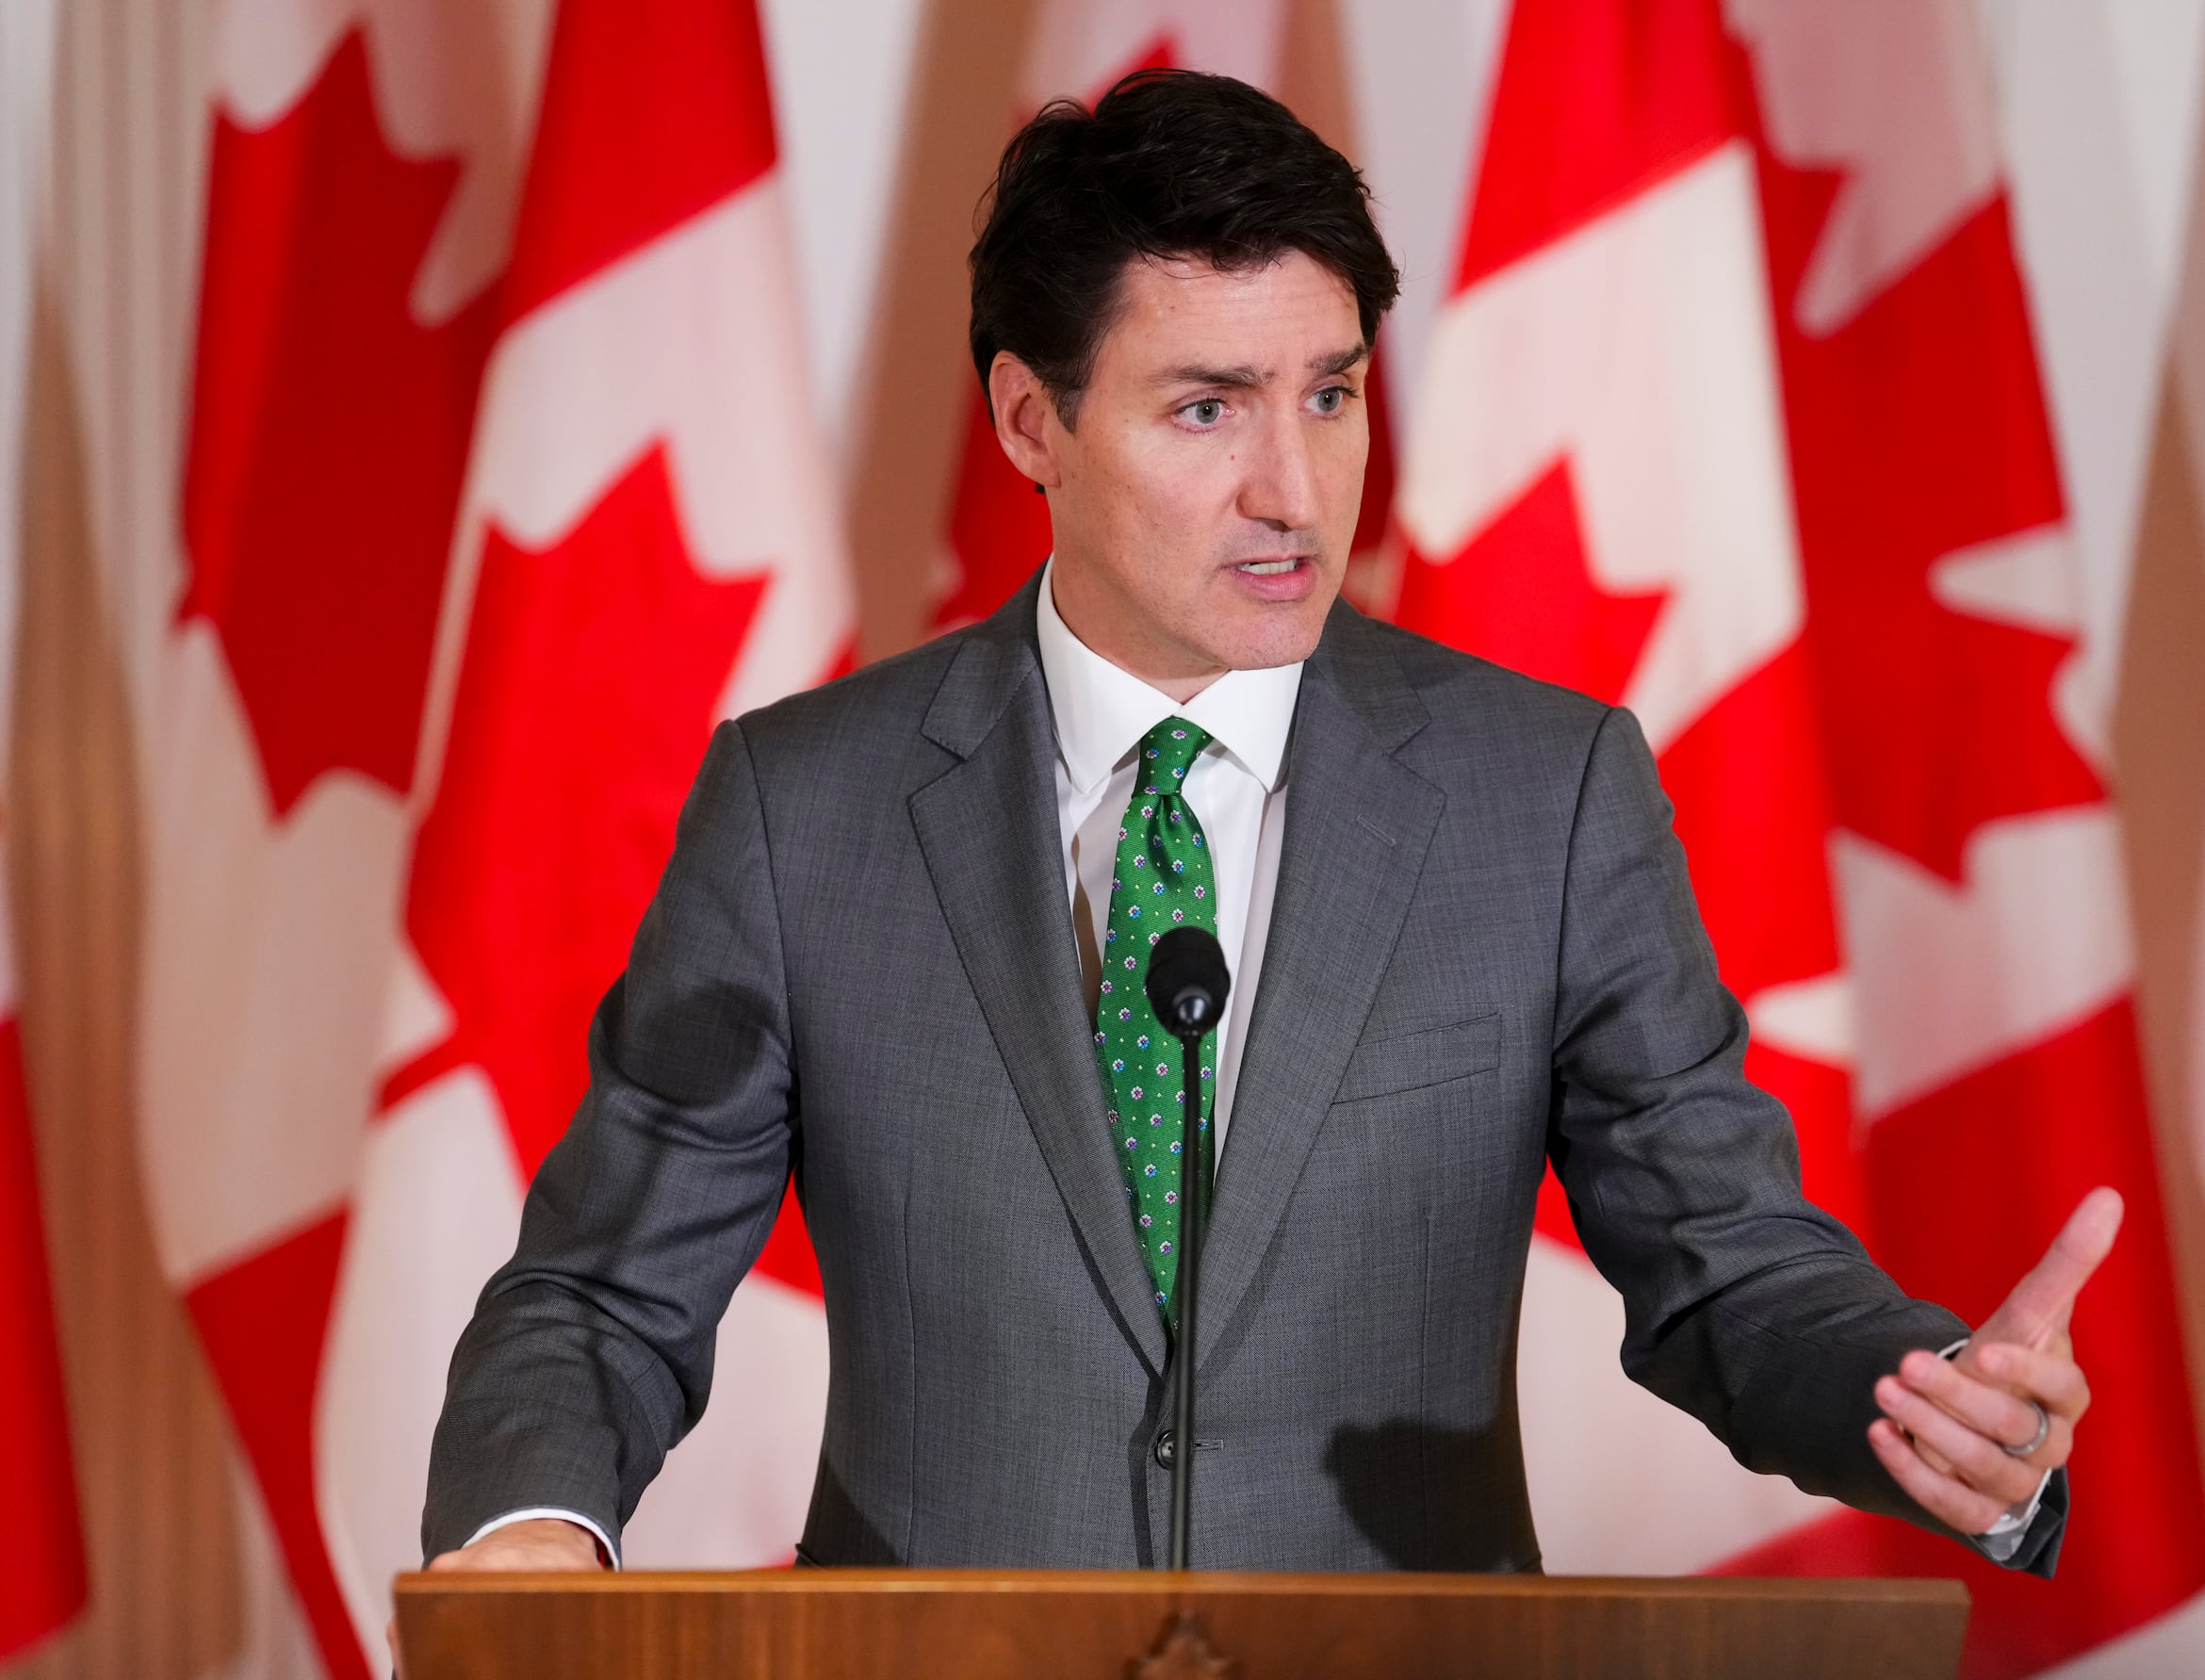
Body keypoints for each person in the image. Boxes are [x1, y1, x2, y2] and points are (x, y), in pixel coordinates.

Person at [419, 68, 2105, 1586]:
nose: (1295, 491)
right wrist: (532, 1540)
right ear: (1031, 423)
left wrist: (1928, 1398)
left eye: (1332, 395)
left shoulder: (1548, 794)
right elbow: (602, 1292)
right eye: (1208, 408)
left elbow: (1727, 1268)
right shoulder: (807, 811)